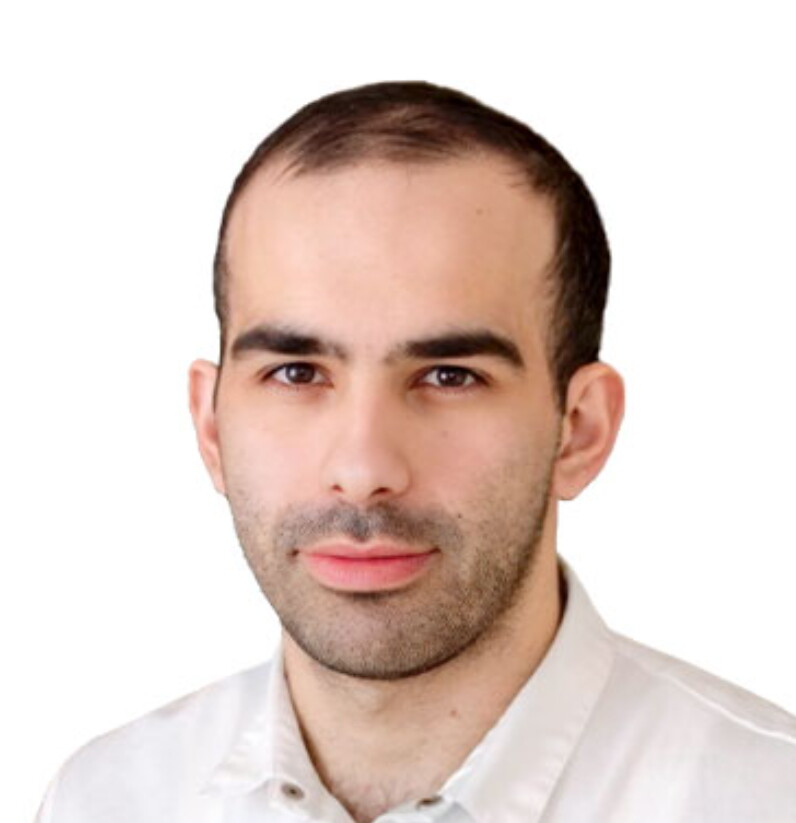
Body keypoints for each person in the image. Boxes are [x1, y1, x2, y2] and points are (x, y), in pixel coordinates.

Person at [36, 81, 796, 823]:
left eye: (449, 376)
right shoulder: (105, 801)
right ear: (211, 426)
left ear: (580, 429)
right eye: (296, 373)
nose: (363, 471)